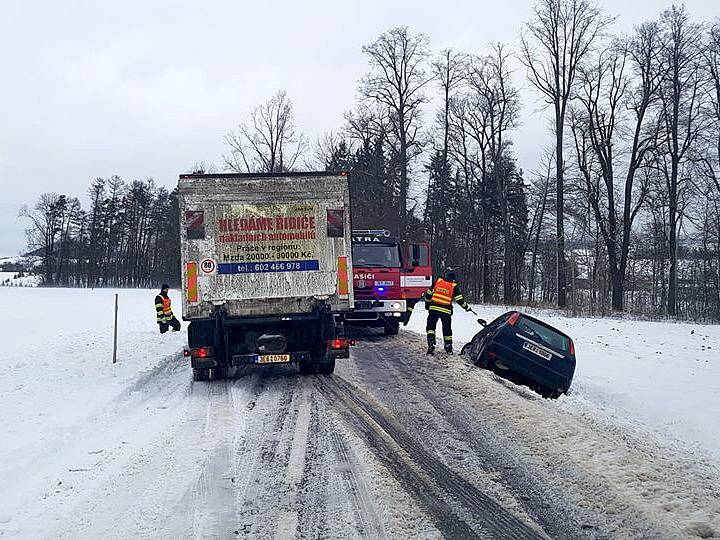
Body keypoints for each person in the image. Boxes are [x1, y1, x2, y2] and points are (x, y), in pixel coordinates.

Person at [424, 270, 470, 355]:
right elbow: (459, 300)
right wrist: (466, 307)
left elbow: (428, 294)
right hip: (446, 311)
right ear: (453, 279)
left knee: (431, 327)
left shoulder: (438, 282)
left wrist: (427, 305)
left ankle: (431, 343)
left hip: (433, 309)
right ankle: (448, 347)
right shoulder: (453, 286)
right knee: (447, 329)